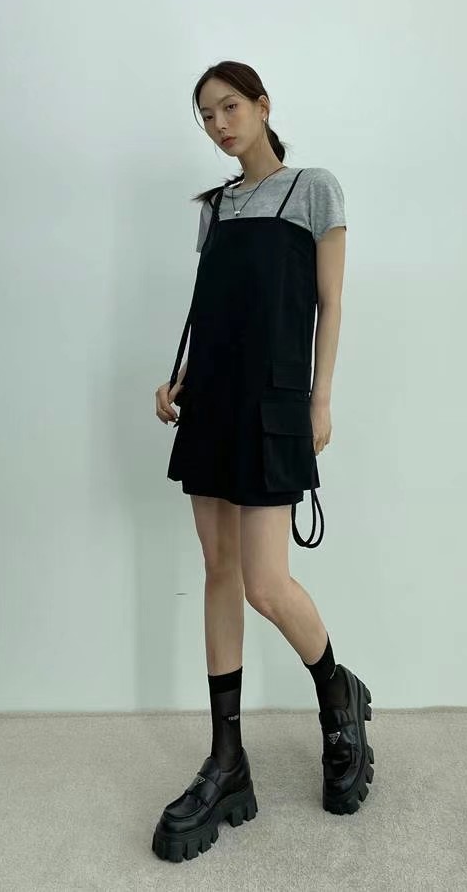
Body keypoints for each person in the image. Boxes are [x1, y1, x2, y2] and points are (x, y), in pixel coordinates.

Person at [151, 61, 374, 863]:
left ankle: (338, 694)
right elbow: (211, 309)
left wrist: (321, 399)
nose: (219, 124)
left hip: (274, 402)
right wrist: (179, 375)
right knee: (218, 570)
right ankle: (227, 760)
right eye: (206, 115)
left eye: (230, 107)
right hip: (211, 400)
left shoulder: (313, 190)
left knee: (265, 583)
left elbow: (331, 302)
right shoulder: (214, 207)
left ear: (262, 106)